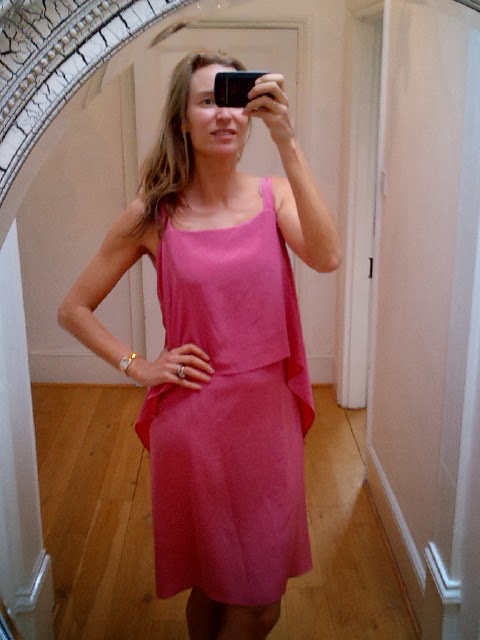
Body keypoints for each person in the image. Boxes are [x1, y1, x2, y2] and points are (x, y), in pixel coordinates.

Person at [58, 49, 340, 640]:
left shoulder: (275, 196)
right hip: (194, 421)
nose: (223, 114)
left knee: (260, 602)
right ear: (181, 120)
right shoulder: (153, 213)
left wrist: (288, 141)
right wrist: (138, 365)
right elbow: (73, 309)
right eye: (207, 101)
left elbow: (327, 255)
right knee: (212, 582)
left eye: (234, 100)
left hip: (267, 419)